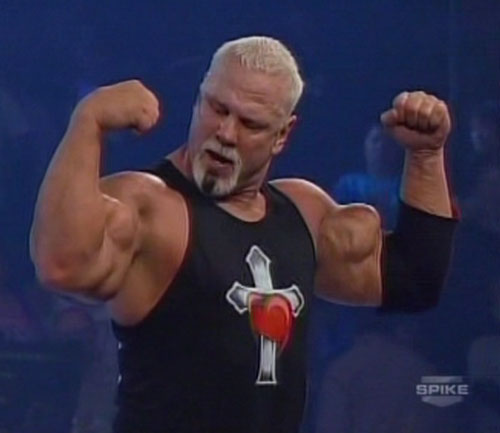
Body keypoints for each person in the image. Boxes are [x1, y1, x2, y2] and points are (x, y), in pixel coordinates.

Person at [30, 36, 457, 433]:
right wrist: (87, 124)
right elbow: (62, 265)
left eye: (250, 123)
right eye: (217, 109)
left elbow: (414, 279)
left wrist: (425, 155)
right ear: (198, 99)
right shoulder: (148, 206)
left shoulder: (303, 214)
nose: (226, 134)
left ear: (282, 135)